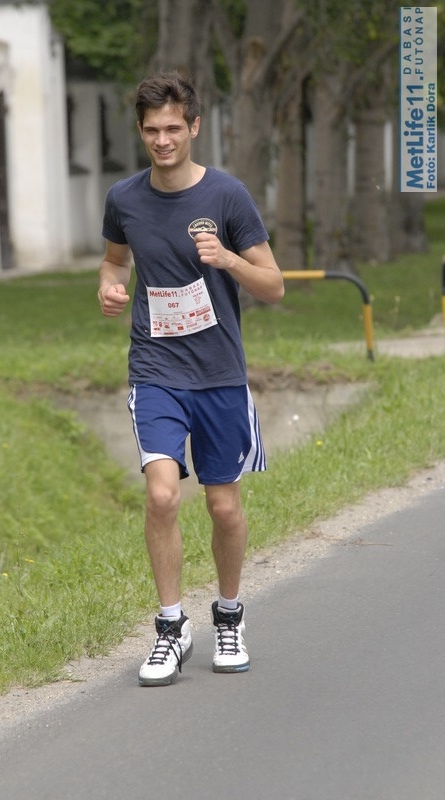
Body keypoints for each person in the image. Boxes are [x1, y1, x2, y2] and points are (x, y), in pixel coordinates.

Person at [98, 71, 284, 687]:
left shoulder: (228, 196)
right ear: (141, 131)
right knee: (160, 495)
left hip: (219, 374)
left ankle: (228, 616)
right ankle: (171, 628)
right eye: (152, 130)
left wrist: (227, 259)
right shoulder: (124, 198)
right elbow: (114, 261)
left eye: (173, 128)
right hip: (155, 369)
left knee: (223, 506)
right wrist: (108, 287)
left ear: (195, 127)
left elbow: (274, 286)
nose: (163, 140)